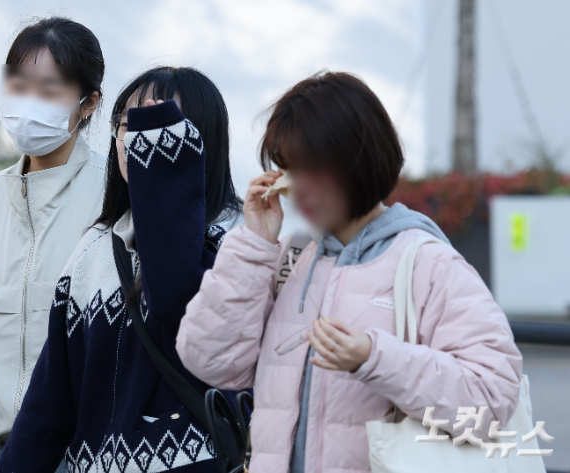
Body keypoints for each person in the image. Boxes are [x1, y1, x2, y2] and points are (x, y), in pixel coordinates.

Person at [176, 71, 523, 473]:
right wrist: (254, 243)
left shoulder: (428, 264)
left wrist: (375, 358)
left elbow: (491, 400)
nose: (299, 188)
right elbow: (210, 361)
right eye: (290, 169)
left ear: (358, 161)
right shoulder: (290, 257)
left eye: (314, 169)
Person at [0, 66, 243, 473]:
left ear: (196, 141)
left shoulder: (235, 242)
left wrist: (163, 182)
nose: (139, 140)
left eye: (160, 125)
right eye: (129, 125)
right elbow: (49, 401)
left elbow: (173, 300)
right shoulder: (94, 248)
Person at [0, 17, 107, 472]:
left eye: (49, 90)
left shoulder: (113, 192)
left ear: (89, 103)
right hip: (1, 451)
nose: (29, 102)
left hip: (92, 450)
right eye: (18, 86)